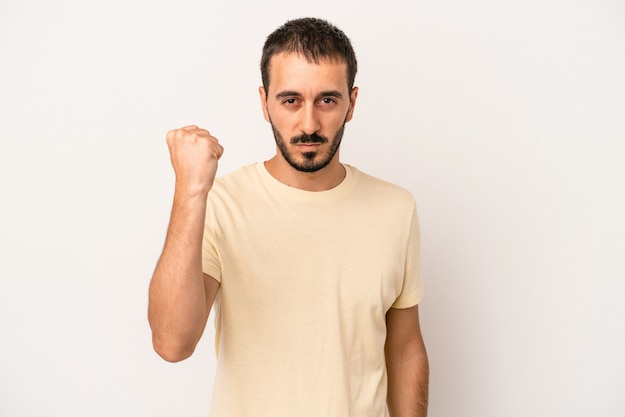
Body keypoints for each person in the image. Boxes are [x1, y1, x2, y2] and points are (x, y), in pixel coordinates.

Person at [148, 17, 429, 417]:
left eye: (327, 100)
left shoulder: (396, 208)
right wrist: (189, 192)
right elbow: (172, 343)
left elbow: (404, 350)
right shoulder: (221, 203)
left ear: (352, 103)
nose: (309, 124)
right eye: (291, 100)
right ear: (264, 102)